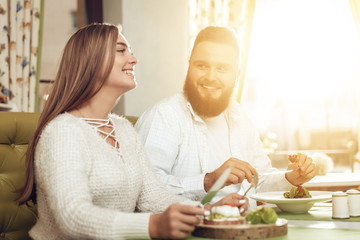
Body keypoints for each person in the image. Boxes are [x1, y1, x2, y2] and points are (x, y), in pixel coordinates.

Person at [16, 23, 248, 240]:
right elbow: (72, 216)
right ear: (90, 61)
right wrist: (152, 226)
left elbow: (152, 197)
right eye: (121, 50)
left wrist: (205, 211)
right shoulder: (62, 132)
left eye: (131, 51)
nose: (134, 59)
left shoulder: (123, 129)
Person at [135, 26, 316, 210]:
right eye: (202, 65)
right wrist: (208, 181)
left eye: (222, 68)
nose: (211, 77)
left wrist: (289, 178)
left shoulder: (241, 119)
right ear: (189, 66)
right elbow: (144, 191)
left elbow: (258, 181)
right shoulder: (164, 116)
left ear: (237, 76)